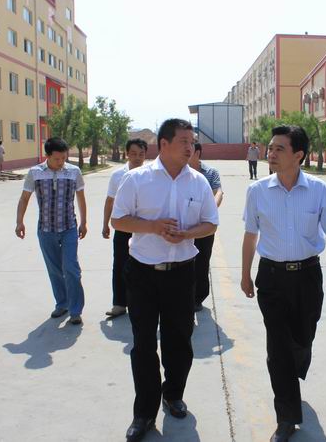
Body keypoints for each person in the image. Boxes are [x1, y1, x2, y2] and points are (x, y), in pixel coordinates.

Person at [111, 119, 219, 442]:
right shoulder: (136, 179)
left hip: (182, 274)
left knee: (179, 340)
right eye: (184, 141)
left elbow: (211, 223)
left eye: (192, 141)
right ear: (164, 144)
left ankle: (173, 394)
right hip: (143, 273)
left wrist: (186, 233)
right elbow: (118, 220)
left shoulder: (199, 182)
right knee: (143, 343)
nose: (190, 147)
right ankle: (144, 412)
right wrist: (154, 227)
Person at [241, 125, 326, 442]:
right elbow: (250, 235)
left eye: (279, 149)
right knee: (278, 348)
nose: (271, 153)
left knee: (302, 338)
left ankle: (295, 365)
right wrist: (245, 273)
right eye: (270, 148)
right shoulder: (257, 191)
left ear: (298, 155)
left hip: (307, 276)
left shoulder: (320, 190)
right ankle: (286, 417)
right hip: (271, 277)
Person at [15, 137, 87, 325]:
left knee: (71, 268)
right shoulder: (35, 173)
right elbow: (24, 198)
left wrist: (84, 222)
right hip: (46, 230)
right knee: (54, 270)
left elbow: (81, 197)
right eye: (56, 159)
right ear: (46, 156)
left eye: (63, 158)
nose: (61, 162)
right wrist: (19, 222)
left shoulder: (74, 172)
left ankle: (75, 310)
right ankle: (62, 303)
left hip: (69, 227)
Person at [102, 138, 148, 318]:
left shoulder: (151, 175)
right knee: (120, 264)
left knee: (144, 266)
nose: (137, 158)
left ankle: (142, 303)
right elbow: (110, 201)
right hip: (123, 226)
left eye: (141, 154)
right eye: (134, 154)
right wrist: (105, 224)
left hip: (144, 227)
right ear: (127, 154)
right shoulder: (117, 175)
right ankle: (119, 304)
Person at [188, 142, 224, 312]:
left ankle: (198, 298)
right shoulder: (180, 172)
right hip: (186, 225)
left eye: (189, 150)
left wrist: (211, 208)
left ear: (197, 153)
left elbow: (219, 192)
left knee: (202, 261)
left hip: (204, 225)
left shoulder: (210, 172)